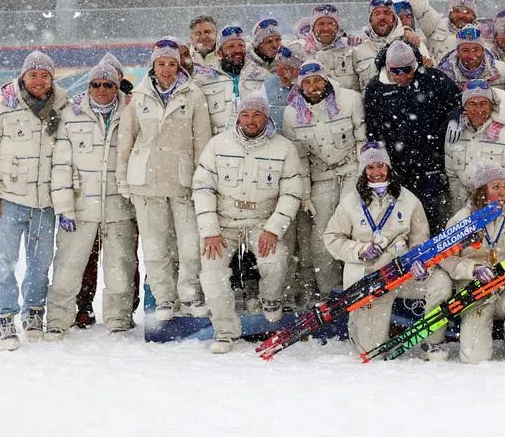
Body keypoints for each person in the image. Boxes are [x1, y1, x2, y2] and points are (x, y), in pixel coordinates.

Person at [193, 92, 309, 353]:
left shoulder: (283, 148)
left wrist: (272, 228)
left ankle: (270, 299)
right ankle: (224, 329)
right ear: (238, 116)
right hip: (225, 222)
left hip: (262, 221)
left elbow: (291, 192)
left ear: (266, 116)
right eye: (245, 114)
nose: (250, 120)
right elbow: (202, 188)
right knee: (211, 271)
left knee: (275, 260)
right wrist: (210, 231)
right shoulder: (218, 145)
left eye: (257, 114)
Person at [0, 51, 69, 350]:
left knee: (40, 264)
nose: (39, 81)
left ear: (52, 78)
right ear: (23, 76)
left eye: (45, 75)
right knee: (4, 264)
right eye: (33, 74)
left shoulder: (64, 107)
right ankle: (3, 318)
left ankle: (34, 313)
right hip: (10, 199)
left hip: (45, 202)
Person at [323, 142, 453, 359]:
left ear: (389, 167)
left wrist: (421, 264)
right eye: (370, 168)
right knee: (373, 353)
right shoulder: (350, 203)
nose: (377, 172)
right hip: (369, 277)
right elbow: (332, 238)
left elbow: (420, 242)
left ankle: (432, 341)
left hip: (402, 272)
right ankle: (358, 323)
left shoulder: (409, 200)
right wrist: (360, 250)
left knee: (440, 282)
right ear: (363, 172)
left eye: (381, 166)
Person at [117, 39, 213, 320]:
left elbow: (202, 140)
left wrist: (203, 181)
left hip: (183, 180)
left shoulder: (192, 94)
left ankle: (190, 294)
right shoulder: (139, 95)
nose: (167, 69)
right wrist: (123, 179)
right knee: (155, 245)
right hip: (146, 180)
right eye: (162, 64)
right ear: (153, 65)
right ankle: (164, 298)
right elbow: (127, 139)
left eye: (172, 63)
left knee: (190, 244)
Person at [45, 62, 136, 339]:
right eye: (95, 84)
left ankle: (119, 320)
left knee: (120, 267)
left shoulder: (131, 112)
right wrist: (64, 208)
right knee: (68, 266)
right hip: (81, 207)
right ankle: (58, 319)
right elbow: (61, 166)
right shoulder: (71, 115)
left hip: (119, 206)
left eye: (108, 84)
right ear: (88, 86)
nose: (101, 90)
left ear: (117, 87)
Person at [440, 163, 505, 362]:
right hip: (476, 293)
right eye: (495, 186)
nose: (502, 192)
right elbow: (446, 258)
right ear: (481, 191)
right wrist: (473, 269)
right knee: (472, 358)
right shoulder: (461, 220)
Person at [281, 61, 366, 298]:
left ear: (326, 80)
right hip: (321, 176)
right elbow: (300, 157)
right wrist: (306, 193)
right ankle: (330, 292)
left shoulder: (349, 100)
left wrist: (362, 181)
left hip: (351, 169)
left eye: (317, 80)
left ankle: (356, 287)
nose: (313, 86)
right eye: (306, 82)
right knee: (322, 237)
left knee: (355, 228)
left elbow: (362, 141)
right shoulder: (292, 113)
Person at [363, 39, 462, 233]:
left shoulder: (432, 79)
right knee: (403, 221)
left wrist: (455, 116)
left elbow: (457, 100)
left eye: (407, 70)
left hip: (431, 162)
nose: (402, 76)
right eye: (396, 71)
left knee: (433, 217)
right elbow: (373, 128)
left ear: (415, 65)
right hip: (398, 166)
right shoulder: (376, 88)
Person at [445, 79, 505, 229]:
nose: (478, 110)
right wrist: (460, 214)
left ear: (492, 104)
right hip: (471, 213)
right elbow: (453, 178)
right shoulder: (455, 132)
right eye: (473, 104)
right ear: (464, 106)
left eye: (483, 103)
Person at [174, 36, 235, 136]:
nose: (185, 60)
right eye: (179, 56)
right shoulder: (156, 89)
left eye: (186, 54)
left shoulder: (212, 78)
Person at [300, 4, 362, 90]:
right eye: (321, 24)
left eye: (331, 24)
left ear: (337, 28)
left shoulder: (352, 47)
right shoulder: (301, 52)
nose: (326, 28)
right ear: (313, 28)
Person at [436, 25, 505, 91]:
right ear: (458, 52)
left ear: (483, 50)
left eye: (476, 50)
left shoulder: (501, 71)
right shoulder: (444, 75)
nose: (471, 55)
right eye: (465, 50)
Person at [354, 0, 408, 88]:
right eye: (377, 13)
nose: (382, 17)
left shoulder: (409, 43)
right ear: (370, 20)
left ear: (394, 19)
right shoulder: (357, 50)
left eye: (387, 13)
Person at [214, 24, 272, 107]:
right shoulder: (209, 80)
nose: (237, 50)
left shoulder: (262, 75)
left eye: (241, 45)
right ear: (219, 53)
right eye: (231, 46)